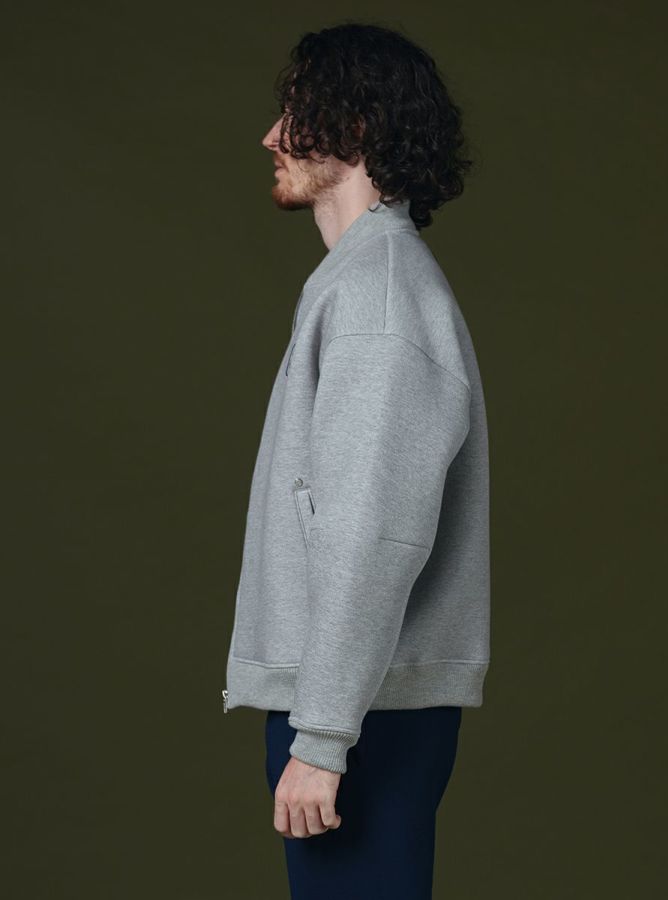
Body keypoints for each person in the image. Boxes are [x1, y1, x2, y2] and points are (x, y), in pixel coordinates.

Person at [223, 22, 491, 899]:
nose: (271, 136)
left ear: (360, 125)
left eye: (295, 112)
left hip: (361, 712)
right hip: (357, 699)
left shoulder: (378, 297)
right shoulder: (363, 280)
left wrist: (323, 737)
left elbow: (374, 530)